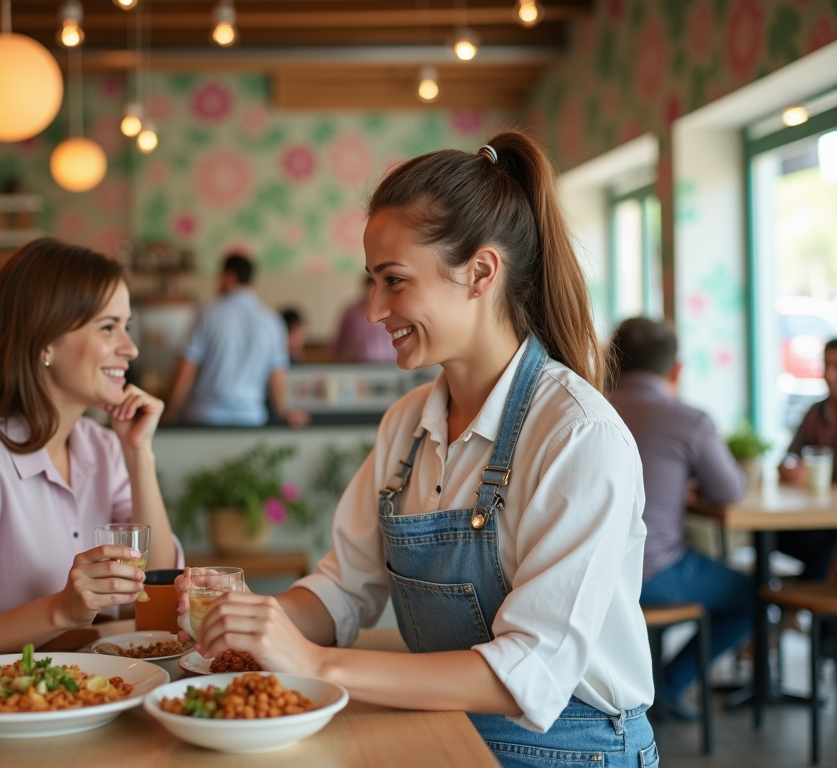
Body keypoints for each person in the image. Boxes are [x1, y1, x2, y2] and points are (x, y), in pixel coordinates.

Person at [175, 133, 657, 767]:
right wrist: (253, 619)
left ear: (481, 273)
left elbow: (527, 670)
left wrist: (315, 662)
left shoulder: (577, 436)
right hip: (441, 726)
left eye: (394, 282)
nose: (375, 310)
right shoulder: (407, 424)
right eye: (373, 282)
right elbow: (344, 590)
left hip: (568, 749)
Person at [0, 239, 181, 656]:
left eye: (127, 325)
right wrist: (62, 611)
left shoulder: (101, 446)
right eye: (107, 327)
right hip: (7, 706)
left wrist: (140, 455)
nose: (130, 348)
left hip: (98, 688)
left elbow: (156, 583)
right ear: (45, 342)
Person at [609, 317, 753, 716]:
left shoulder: (586, 407)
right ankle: (668, 685)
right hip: (656, 572)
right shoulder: (688, 420)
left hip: (591, 571)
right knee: (753, 595)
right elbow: (730, 490)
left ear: (612, 361)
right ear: (676, 370)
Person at [164, 254, 308, 427]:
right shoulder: (272, 322)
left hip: (205, 417)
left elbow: (185, 371)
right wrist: (284, 411)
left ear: (228, 276)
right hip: (251, 418)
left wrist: (169, 412)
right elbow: (277, 376)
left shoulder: (206, 314)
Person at [776, 337, 837, 581]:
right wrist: (788, 468)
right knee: (772, 535)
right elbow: (788, 457)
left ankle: (797, 608)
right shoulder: (815, 412)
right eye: (826, 366)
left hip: (830, 524)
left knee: (830, 546)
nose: (830, 375)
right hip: (814, 517)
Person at [332, 274, 398, 362]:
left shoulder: (391, 310)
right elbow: (339, 342)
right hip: (359, 365)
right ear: (365, 288)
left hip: (389, 364)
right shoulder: (352, 312)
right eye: (371, 290)